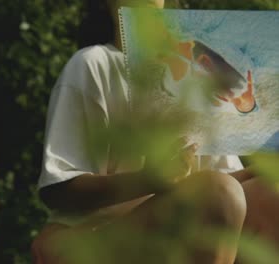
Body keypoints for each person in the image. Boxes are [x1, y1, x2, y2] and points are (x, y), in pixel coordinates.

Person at [32, 0, 279, 263]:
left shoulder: (199, 82)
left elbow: (227, 182)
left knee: (270, 192)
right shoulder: (93, 63)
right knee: (222, 195)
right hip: (95, 233)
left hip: (179, 223)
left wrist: (264, 169)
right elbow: (57, 190)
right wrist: (149, 179)